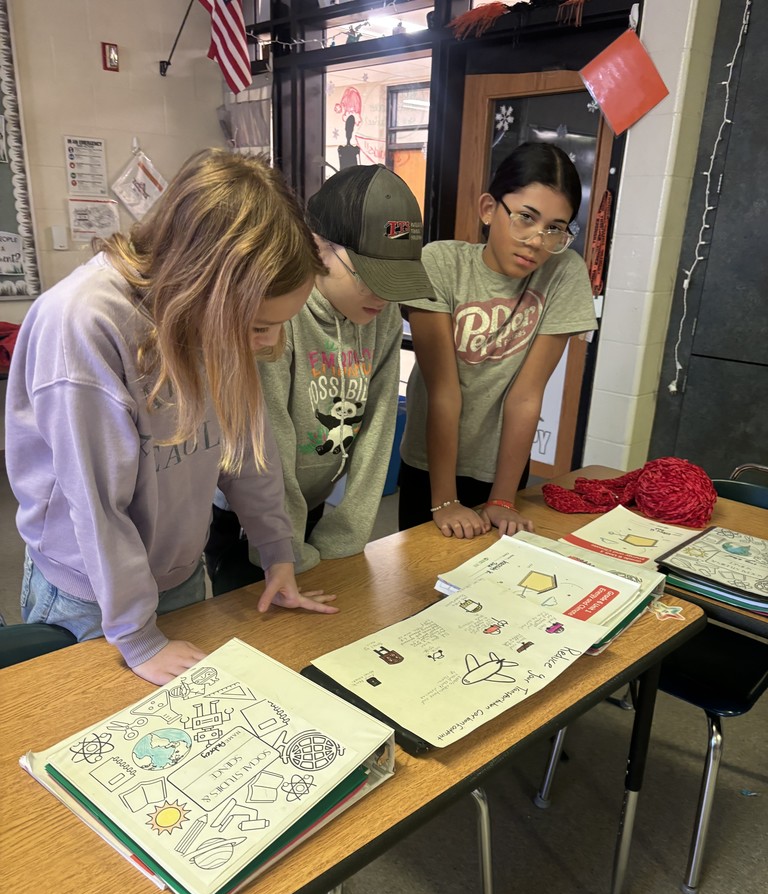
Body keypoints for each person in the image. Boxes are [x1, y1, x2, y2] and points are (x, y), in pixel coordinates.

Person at [5, 148, 338, 688]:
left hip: (177, 572)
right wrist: (136, 635)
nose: (269, 344)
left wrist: (279, 553)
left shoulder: (211, 316)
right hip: (90, 594)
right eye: (257, 327)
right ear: (198, 286)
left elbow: (248, 447)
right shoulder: (83, 324)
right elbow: (95, 506)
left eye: (280, 325)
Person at [207, 163, 435, 577]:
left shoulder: (379, 315)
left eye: (395, 280)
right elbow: (270, 435)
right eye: (369, 276)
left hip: (311, 502)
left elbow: (379, 428)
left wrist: (347, 534)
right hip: (254, 514)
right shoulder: (282, 312)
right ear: (317, 246)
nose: (383, 295)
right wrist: (287, 549)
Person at [398, 141, 597, 538]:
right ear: (489, 209)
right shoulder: (441, 263)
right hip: (430, 465)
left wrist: (504, 498)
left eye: (555, 228)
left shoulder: (563, 272)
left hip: (502, 465)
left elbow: (526, 395)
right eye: (525, 217)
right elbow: (443, 390)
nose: (537, 241)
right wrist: (445, 500)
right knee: (421, 584)